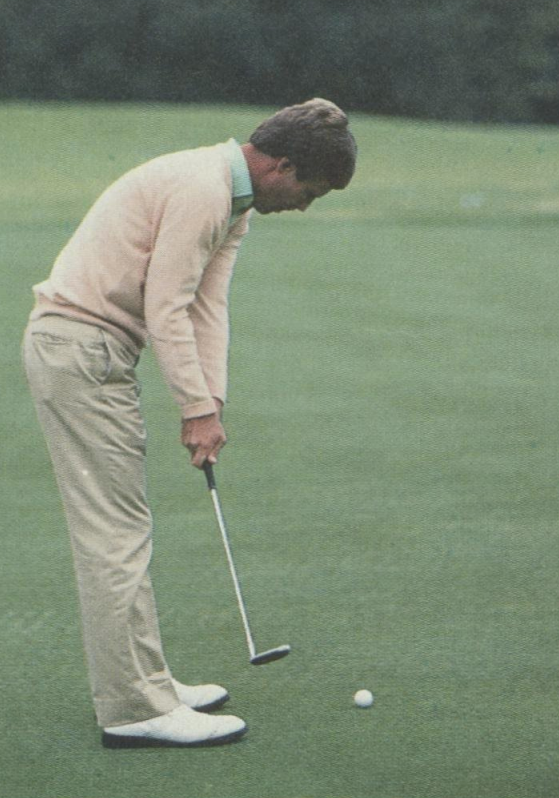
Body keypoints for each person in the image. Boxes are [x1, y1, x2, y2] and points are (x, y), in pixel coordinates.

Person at [22, 98, 357, 748]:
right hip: (79, 348)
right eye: (309, 192)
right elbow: (165, 305)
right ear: (282, 166)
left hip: (88, 349)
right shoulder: (205, 189)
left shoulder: (231, 202)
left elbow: (208, 306)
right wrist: (193, 409)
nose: (304, 206)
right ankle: (133, 707)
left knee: (123, 526)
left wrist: (213, 403)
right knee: (114, 532)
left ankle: (148, 684)